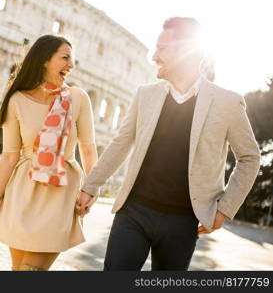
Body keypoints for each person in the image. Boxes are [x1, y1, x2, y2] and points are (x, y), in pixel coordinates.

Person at [78, 17, 261, 270]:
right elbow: (121, 143)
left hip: (184, 222)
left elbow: (250, 157)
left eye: (162, 49)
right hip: (133, 213)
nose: (154, 56)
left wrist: (225, 209)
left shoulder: (227, 102)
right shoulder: (145, 94)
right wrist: (90, 185)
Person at [0, 34, 98, 271]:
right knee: (20, 270)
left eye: (72, 60)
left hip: (61, 191)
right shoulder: (16, 100)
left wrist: (92, 187)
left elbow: (87, 147)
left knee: (32, 271)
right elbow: (10, 155)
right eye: (65, 58)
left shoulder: (78, 98)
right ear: (44, 59)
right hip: (22, 191)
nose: (71, 65)